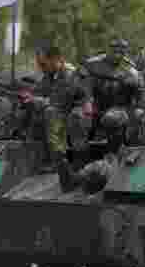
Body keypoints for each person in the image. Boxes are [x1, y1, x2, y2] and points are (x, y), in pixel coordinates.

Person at [18, 42, 92, 190]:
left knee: (56, 114)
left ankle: (75, 165)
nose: (41, 67)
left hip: (79, 110)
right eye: (39, 64)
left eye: (43, 64)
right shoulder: (50, 74)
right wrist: (28, 98)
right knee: (36, 113)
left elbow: (59, 101)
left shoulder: (70, 74)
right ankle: (49, 159)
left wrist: (35, 100)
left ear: (57, 60)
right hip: (61, 110)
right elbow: (40, 92)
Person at [80, 38, 141, 154]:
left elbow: (140, 90)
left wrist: (140, 108)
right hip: (95, 103)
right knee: (77, 116)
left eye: (121, 52)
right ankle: (78, 154)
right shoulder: (93, 64)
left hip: (119, 107)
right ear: (108, 50)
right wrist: (87, 100)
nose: (117, 55)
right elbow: (82, 82)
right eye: (114, 51)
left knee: (112, 118)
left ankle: (113, 152)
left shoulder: (130, 69)